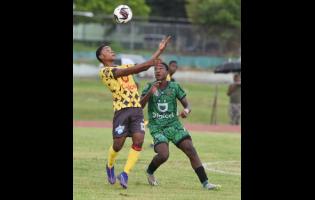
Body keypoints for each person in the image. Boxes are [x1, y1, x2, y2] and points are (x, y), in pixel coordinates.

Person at [97, 36, 171, 189]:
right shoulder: (105, 71)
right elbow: (138, 68)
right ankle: (109, 165)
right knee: (118, 145)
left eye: (111, 49)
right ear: (101, 57)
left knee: (138, 141)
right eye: (107, 50)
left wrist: (159, 50)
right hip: (121, 111)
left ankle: (124, 174)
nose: (111, 51)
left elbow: (143, 65)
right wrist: (149, 64)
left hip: (136, 109)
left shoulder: (125, 66)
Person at [140, 62, 221, 190]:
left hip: (174, 125)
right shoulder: (149, 87)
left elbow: (187, 106)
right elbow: (140, 105)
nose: (158, 71)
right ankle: (150, 171)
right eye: (155, 69)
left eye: (161, 69)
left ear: (167, 72)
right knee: (163, 155)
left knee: (190, 149)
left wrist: (186, 111)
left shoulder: (175, 86)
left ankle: (206, 183)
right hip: (157, 127)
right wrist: (150, 93)